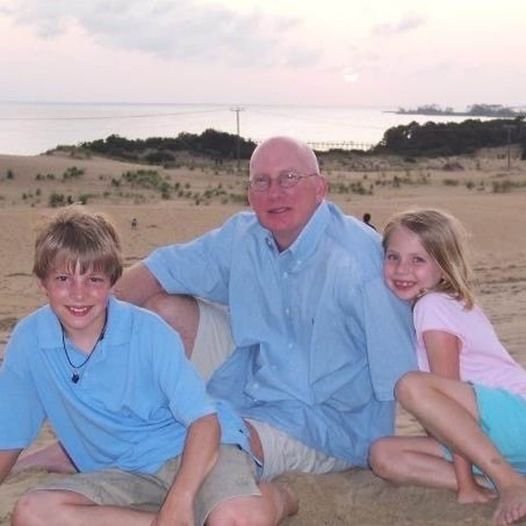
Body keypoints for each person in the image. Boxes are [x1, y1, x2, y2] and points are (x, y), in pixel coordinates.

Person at [19, 137, 415, 492]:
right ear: (249, 194)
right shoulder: (245, 236)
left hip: (323, 422)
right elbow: (160, 269)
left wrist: (444, 447)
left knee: (214, 446)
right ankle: (93, 439)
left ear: (320, 188)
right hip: (253, 372)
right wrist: (70, 327)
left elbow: (405, 377)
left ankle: (119, 452)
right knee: (162, 311)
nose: (275, 192)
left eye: (289, 178)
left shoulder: (357, 265)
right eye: (262, 181)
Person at [0, 206, 295, 526]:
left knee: (232, 519)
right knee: (31, 513)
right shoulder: (30, 341)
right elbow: (8, 438)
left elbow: (204, 422)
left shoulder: (148, 331)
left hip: (192, 452)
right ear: (42, 283)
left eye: (94, 279)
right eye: (63, 278)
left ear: (113, 282)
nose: (79, 293)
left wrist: (180, 499)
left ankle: (277, 497)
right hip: (122, 471)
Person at [369, 208, 526, 526]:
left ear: (443, 266)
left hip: (514, 416)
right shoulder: (431, 305)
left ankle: (507, 482)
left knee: (411, 386)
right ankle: (505, 479)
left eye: (418, 260)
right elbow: (446, 419)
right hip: (497, 437)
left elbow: (447, 394)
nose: (402, 269)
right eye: (393, 257)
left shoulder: (433, 306)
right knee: (383, 455)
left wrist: (464, 485)